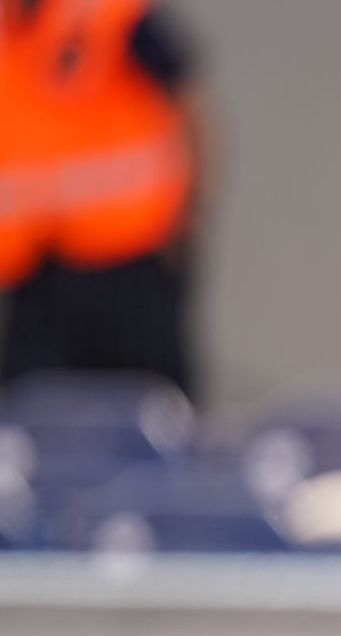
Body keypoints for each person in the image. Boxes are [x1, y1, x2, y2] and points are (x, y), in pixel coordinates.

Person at [0, 0, 208, 396]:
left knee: (155, 414)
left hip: (130, 258)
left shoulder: (107, 13)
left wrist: (191, 218)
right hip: (35, 271)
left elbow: (190, 99)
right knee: (31, 420)